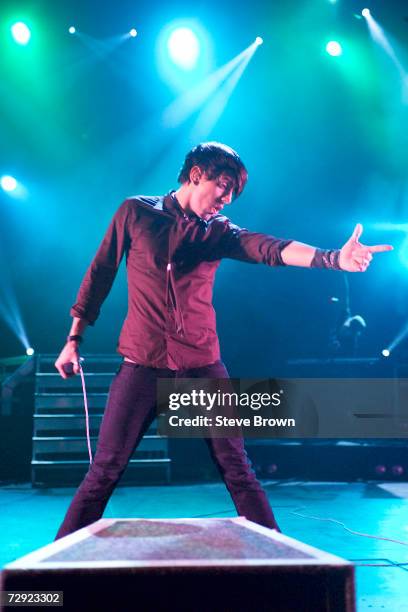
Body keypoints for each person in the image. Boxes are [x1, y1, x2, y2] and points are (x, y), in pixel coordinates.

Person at [54, 142, 392, 539]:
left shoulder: (218, 231)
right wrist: (73, 338)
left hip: (201, 364)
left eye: (234, 193)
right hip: (142, 363)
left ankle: (282, 564)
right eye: (223, 186)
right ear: (197, 174)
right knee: (105, 469)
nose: (226, 199)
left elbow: (270, 248)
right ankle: (43, 576)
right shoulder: (136, 212)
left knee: (238, 470)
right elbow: (101, 273)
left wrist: (333, 258)